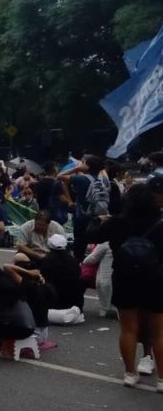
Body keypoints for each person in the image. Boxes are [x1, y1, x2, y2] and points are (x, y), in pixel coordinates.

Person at [84, 181, 163, 390]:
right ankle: (162, 379)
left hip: (124, 279)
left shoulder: (117, 222)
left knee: (128, 329)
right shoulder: (160, 223)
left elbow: (90, 236)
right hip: (156, 280)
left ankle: (130, 373)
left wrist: (96, 220)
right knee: (158, 333)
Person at [60, 155, 107, 261]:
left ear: (87, 167)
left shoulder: (81, 179)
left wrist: (76, 169)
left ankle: (79, 265)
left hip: (82, 218)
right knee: (96, 245)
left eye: (84, 163)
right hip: (98, 217)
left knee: (79, 246)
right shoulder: (103, 179)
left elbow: (60, 176)